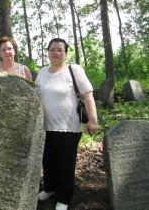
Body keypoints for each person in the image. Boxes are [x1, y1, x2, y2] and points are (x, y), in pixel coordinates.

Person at [36, 38, 98, 210]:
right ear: (47, 52)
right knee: (48, 161)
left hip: (68, 127)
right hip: (45, 127)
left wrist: (93, 120)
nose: (55, 53)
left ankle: (64, 197)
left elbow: (87, 96)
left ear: (65, 53)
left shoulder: (74, 70)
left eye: (59, 50)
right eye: (52, 49)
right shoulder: (42, 72)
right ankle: (49, 188)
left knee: (65, 163)